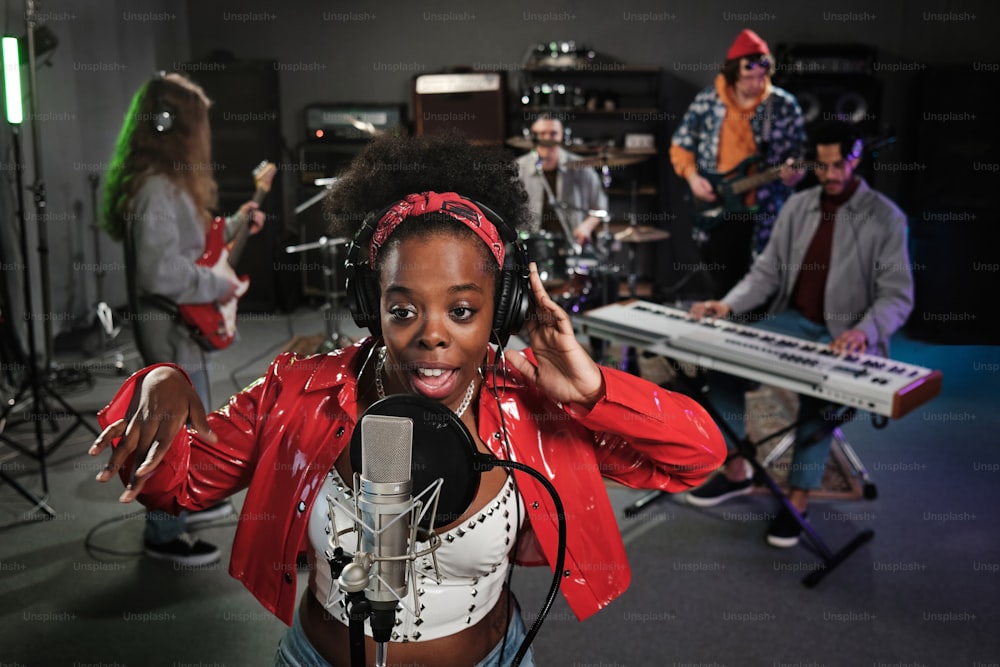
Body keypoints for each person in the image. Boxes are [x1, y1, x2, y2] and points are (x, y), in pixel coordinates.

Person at [89, 131, 726, 667]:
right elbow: (173, 488)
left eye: (463, 309)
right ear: (371, 305)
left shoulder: (531, 406)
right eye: (402, 308)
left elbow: (698, 457)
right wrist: (156, 382)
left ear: (500, 310)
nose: (432, 334)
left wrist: (594, 392)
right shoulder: (297, 389)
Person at [684, 120, 914, 547]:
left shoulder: (886, 217)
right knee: (721, 362)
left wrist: (864, 332)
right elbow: (767, 271)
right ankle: (737, 469)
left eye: (839, 165)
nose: (830, 176)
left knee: (820, 398)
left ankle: (798, 499)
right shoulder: (799, 205)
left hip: (845, 332)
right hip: (793, 320)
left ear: (856, 157)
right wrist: (728, 305)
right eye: (822, 167)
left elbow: (897, 296)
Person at [100, 72, 265, 566]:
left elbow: (197, 247)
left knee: (190, 422)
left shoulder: (168, 186)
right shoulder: (155, 190)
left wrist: (237, 224)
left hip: (181, 333)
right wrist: (221, 285)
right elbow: (161, 272)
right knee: (166, 433)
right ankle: (163, 533)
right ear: (173, 125)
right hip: (168, 334)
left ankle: (185, 507)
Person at [670, 28, 807, 299]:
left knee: (761, 285)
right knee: (723, 284)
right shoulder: (709, 101)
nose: (757, 83)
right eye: (749, 76)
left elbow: (799, 155)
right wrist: (693, 177)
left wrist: (794, 175)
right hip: (717, 206)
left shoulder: (781, 105)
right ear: (734, 72)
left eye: (762, 76)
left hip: (765, 212)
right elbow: (681, 145)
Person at [516, 115, 608, 247]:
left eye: (553, 134)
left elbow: (600, 207)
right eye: (542, 134)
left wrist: (586, 227)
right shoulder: (518, 169)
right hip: (529, 245)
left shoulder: (581, 168)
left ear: (562, 135)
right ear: (533, 136)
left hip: (570, 245)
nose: (548, 139)